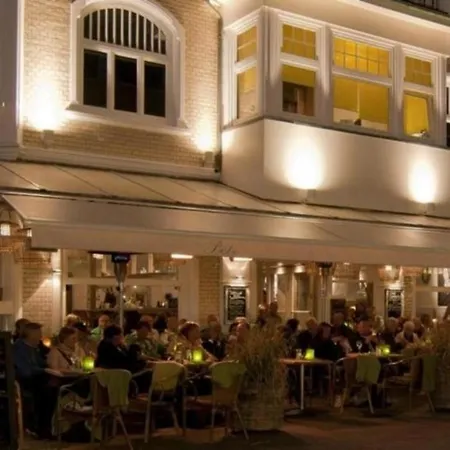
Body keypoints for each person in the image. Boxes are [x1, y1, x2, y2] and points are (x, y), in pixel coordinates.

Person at [13, 322, 55, 438]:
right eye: (38, 333)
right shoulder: (19, 348)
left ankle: (49, 427)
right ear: (31, 334)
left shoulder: (34, 348)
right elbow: (25, 371)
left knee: (54, 388)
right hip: (24, 382)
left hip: (35, 380)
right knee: (48, 392)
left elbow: (41, 363)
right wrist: (44, 370)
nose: (41, 336)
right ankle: (41, 428)